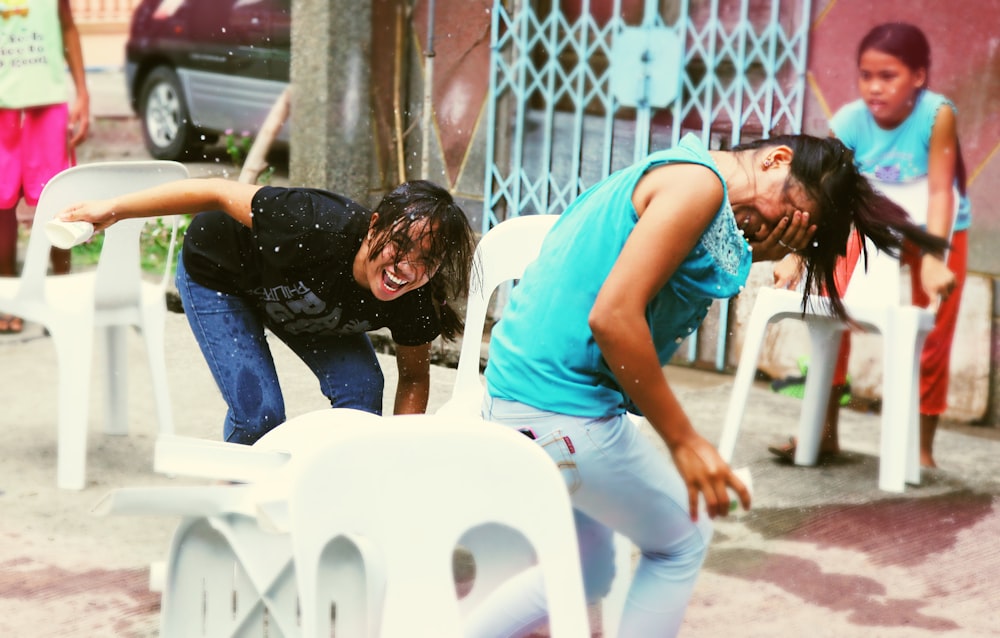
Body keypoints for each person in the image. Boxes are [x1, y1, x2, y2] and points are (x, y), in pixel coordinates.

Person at [462, 131, 948, 638]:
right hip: (559, 408)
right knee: (683, 540)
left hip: (521, 398)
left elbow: (647, 320)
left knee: (587, 568)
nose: (782, 228)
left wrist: (753, 254)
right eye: (790, 210)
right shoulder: (697, 188)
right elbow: (613, 318)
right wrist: (686, 441)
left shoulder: (690, 175)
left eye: (797, 231)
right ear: (776, 160)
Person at [59, 178, 476, 444]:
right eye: (399, 247)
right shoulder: (311, 224)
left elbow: (414, 378)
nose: (406, 269)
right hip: (221, 276)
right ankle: (233, 506)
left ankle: (342, 500)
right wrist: (111, 209)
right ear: (373, 227)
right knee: (259, 415)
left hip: (299, 301)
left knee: (363, 392)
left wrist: (399, 461)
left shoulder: (417, 297)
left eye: (427, 260)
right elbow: (215, 192)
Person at [769, 22, 969, 469]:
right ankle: (823, 433)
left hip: (939, 226)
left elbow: (940, 193)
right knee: (834, 303)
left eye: (888, 75)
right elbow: (824, 195)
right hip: (875, 222)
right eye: (866, 75)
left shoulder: (938, 116)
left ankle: (920, 447)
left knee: (932, 329)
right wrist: (798, 253)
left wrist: (935, 259)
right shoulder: (850, 122)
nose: (874, 87)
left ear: (918, 77)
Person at [0, 0, 90, 334]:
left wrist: (82, 93)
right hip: (1, 105)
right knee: (0, 202)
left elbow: (66, 25)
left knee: (56, 200)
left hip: (48, 104)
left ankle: (61, 293)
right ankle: (7, 295)